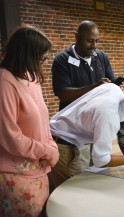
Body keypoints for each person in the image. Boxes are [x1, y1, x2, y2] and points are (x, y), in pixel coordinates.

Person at [50, 83, 124, 187]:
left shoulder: (113, 88)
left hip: (59, 131)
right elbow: (101, 161)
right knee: (74, 187)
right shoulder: (109, 116)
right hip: (62, 142)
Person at [0, 25, 59, 217]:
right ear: (27, 55)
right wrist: (46, 150)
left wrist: (52, 147)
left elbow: (43, 120)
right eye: (42, 57)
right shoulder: (4, 82)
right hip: (15, 175)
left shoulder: (31, 77)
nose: (45, 61)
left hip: (40, 170)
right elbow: (11, 137)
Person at [52, 20, 116, 111]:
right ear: (77, 37)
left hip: (98, 115)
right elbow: (63, 95)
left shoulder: (101, 56)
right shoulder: (62, 59)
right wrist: (94, 87)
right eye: (90, 41)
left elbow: (112, 83)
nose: (94, 46)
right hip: (74, 118)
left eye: (96, 41)